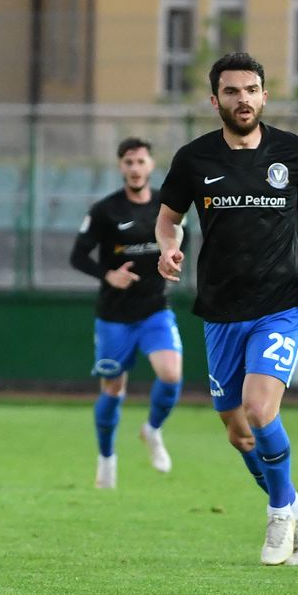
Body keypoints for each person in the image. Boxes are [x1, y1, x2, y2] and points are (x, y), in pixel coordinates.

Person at [155, 52, 298, 566]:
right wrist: (168, 245)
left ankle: (277, 511)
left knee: (260, 408)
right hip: (222, 309)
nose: (242, 99)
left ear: (265, 96)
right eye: (231, 91)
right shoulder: (193, 160)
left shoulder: (294, 151)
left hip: (283, 301)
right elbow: (168, 219)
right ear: (215, 99)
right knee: (237, 427)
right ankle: (295, 503)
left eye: (251, 90)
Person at [69, 137, 184, 489]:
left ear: (151, 166)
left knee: (170, 374)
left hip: (154, 310)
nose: (135, 168)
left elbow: (182, 239)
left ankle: (151, 430)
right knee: (113, 388)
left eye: (141, 162)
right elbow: (77, 256)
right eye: (129, 162)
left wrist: (172, 259)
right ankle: (106, 459)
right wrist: (109, 275)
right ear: (121, 167)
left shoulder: (165, 210)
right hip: (114, 316)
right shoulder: (105, 211)